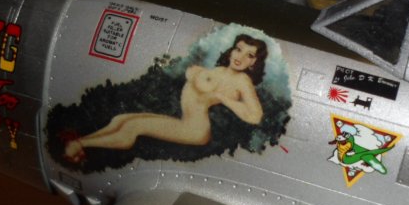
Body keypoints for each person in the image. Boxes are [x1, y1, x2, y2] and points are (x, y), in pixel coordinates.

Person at [64, 34, 268, 162]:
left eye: (249, 55)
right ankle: (80, 142)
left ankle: (79, 145)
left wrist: (223, 98)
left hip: (195, 129)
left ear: (254, 63)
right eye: (239, 49)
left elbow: (255, 116)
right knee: (121, 119)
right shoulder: (220, 70)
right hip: (184, 121)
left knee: (132, 128)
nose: (240, 57)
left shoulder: (243, 81)